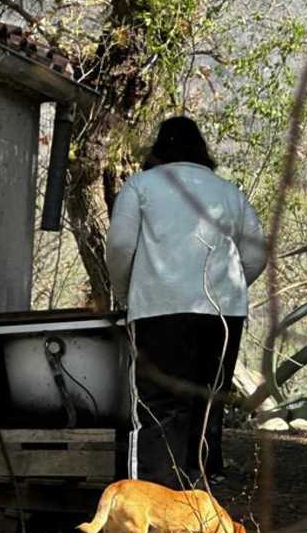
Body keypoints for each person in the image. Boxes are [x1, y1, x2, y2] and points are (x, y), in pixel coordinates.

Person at [106, 116, 266, 488]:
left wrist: (125, 292)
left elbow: (119, 246)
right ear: (202, 152)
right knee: (206, 408)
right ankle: (197, 508)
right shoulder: (229, 192)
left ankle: (150, 501)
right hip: (223, 316)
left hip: (158, 312)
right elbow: (256, 255)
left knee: (157, 407)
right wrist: (232, 288)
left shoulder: (141, 186)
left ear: (158, 150)